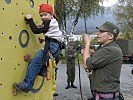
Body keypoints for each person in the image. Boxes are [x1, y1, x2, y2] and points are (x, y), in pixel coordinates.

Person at [13, 3, 62, 93]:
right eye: (41, 15)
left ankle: (26, 85)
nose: (43, 17)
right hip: (54, 46)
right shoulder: (52, 21)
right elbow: (45, 29)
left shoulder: (48, 22)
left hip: (51, 46)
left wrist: (30, 19)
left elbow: (36, 30)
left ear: (51, 15)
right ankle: (42, 71)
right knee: (39, 61)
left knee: (35, 63)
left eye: (45, 14)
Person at [82, 21, 123, 100]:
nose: (98, 34)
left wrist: (87, 44)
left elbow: (87, 64)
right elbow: (86, 65)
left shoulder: (110, 50)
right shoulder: (103, 48)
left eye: (101, 32)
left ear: (110, 36)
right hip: (101, 95)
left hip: (106, 97)